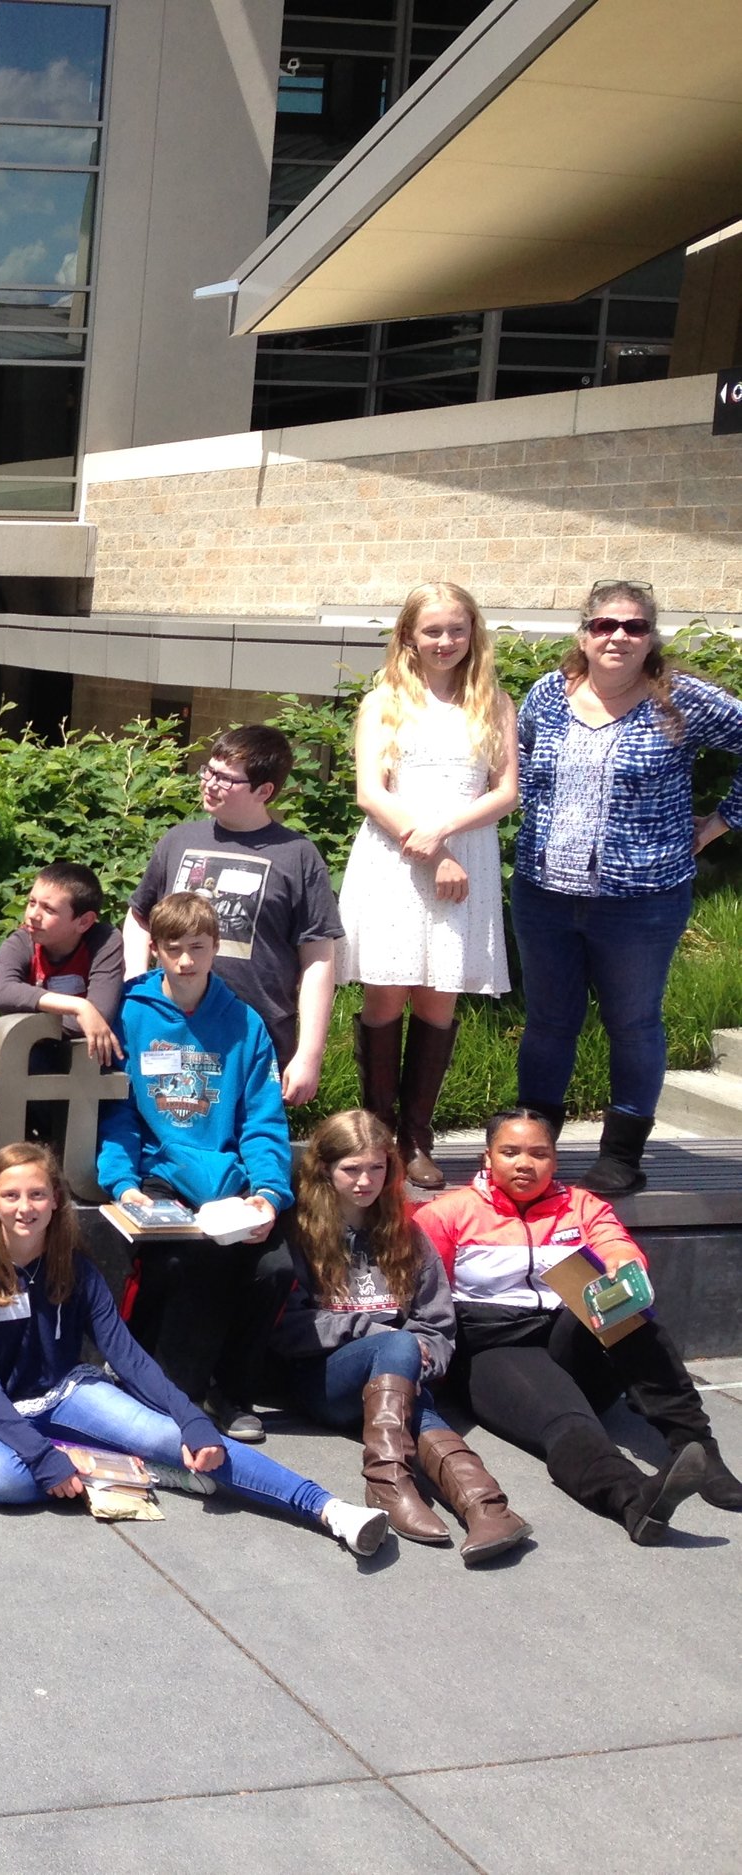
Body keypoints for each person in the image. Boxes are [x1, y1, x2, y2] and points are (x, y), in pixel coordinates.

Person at [0, 1143, 392, 1557]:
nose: (25, 1208)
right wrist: (42, 1458)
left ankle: (328, 1509)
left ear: (56, 1199)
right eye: (12, 1196)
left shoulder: (73, 1265)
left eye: (37, 1194)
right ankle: (125, 1466)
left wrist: (190, 1416)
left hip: (65, 1393)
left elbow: (127, 1355)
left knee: (187, 1441)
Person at [512, 579, 742, 1196]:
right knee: (548, 1023)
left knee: (634, 1023)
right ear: (583, 633)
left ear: (651, 637)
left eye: (634, 627)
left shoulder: (680, 699)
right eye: (605, 625)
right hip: (544, 892)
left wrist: (721, 822)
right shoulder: (548, 695)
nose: (618, 636)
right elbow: (519, 766)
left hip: (643, 899)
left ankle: (621, 1155)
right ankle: (533, 1150)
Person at [415, 1109, 742, 1542]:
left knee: (626, 1310)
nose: (524, 1164)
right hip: (495, 1350)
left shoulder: (583, 1207)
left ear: (555, 1161)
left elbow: (616, 1246)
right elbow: (413, 1286)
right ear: (487, 1158)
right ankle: (633, 1500)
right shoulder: (448, 1214)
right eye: (510, 1152)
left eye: (539, 1153)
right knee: (568, 1422)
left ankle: (697, 1447)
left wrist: (622, 1270)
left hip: (568, 1337)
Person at [272, 1109, 529, 1560]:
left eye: (377, 1167)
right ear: (324, 1169)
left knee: (410, 1386)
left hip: (391, 1384)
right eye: (351, 1169)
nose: (364, 1181)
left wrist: (424, 1352)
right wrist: (374, 1332)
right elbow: (287, 1328)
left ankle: (488, 1507)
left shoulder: (406, 1234)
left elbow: (438, 1325)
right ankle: (388, 1483)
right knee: (397, 1346)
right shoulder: (297, 1233)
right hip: (319, 1380)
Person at [339, 582, 518, 1190]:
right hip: (395, 857)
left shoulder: (492, 701)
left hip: (463, 858)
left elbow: (505, 790)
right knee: (387, 997)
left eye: (457, 629)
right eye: (433, 630)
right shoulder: (383, 701)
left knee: (439, 998)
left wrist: (444, 833)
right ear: (409, 636)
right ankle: (379, 1134)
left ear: (474, 633)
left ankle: (418, 1134)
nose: (446, 641)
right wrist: (432, 848)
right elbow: (371, 792)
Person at [99, 892, 292, 1442]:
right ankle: (173, 1392)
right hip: (161, 1173)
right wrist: (124, 1183)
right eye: (175, 949)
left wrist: (269, 1192)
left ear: (216, 949)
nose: (186, 961)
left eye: (199, 948)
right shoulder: (129, 1013)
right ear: (154, 949)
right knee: (192, 1258)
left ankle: (232, 1393)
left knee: (274, 1267)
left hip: (231, 1179)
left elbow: (262, 1117)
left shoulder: (244, 1022)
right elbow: (119, 1110)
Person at [125, 724, 342, 1107]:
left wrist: (309, 1054)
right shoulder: (178, 840)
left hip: (255, 1033)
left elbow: (319, 959)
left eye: (226, 779)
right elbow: (139, 917)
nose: (209, 783)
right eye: (208, 771)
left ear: (264, 791)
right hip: (172, 1025)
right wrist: (136, 982)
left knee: (250, 1146)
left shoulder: (298, 855)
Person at [0, 862, 124, 1067]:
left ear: (84, 922)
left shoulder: (104, 941)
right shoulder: (21, 942)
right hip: (26, 1055)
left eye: (48, 909)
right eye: (32, 902)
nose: (33, 915)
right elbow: (2, 993)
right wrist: (80, 1006)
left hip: (89, 1062)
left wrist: (30, 1019)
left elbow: (100, 1017)